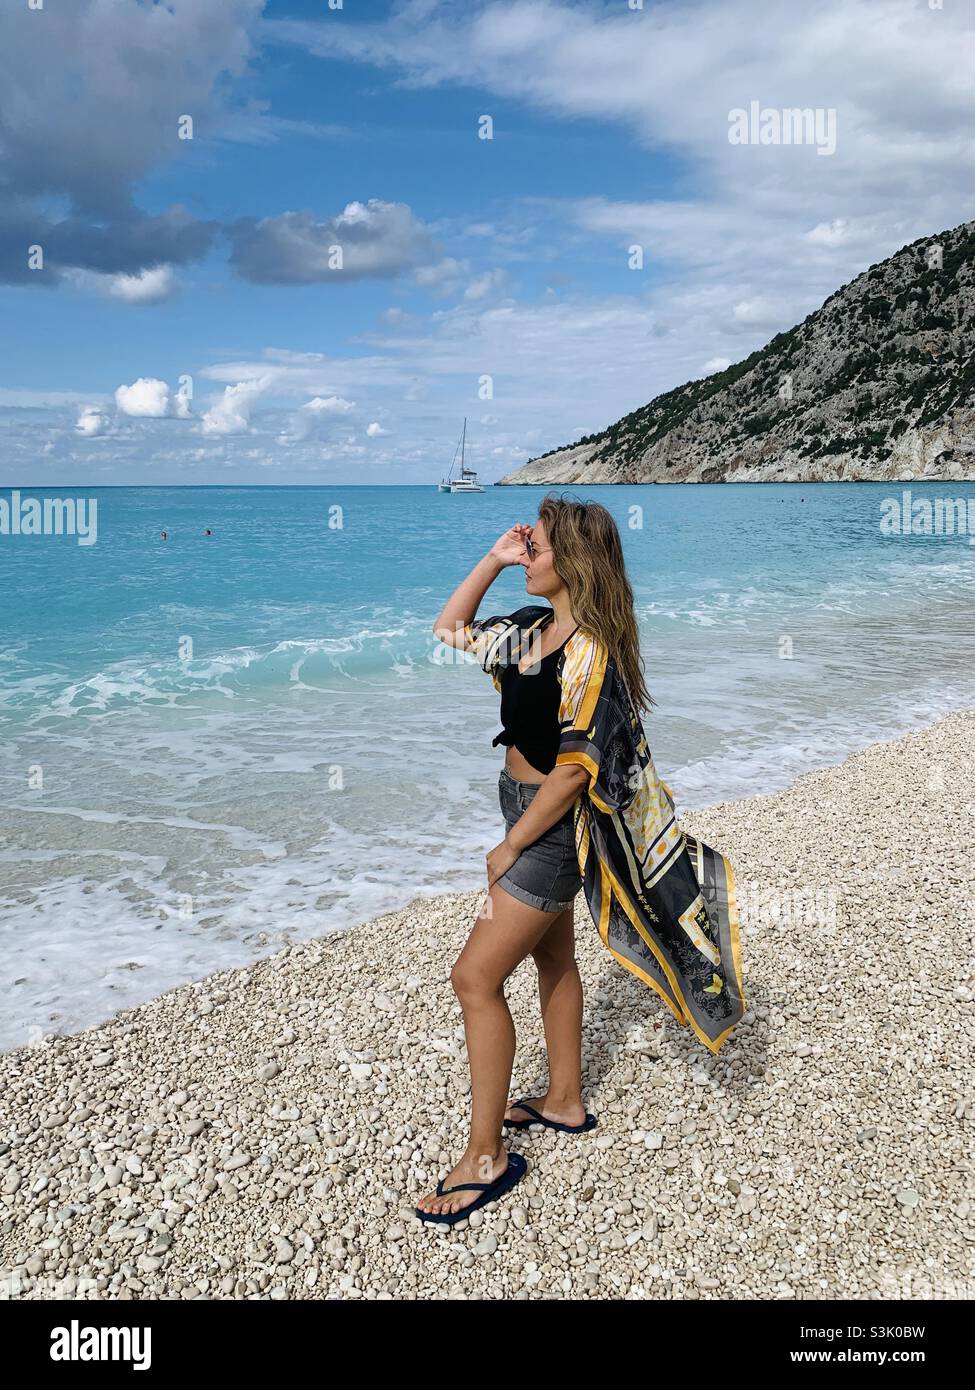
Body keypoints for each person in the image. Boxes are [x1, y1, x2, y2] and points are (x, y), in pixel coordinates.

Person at [418, 493, 745, 1223]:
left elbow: (573, 771)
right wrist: (495, 560)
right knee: (552, 960)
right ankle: (563, 1101)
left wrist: (512, 843)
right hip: (520, 805)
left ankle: (484, 1158)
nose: (525, 553)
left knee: (472, 979)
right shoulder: (533, 632)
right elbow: (449, 630)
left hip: (549, 829)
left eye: (534, 546)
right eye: (524, 546)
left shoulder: (590, 648)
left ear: (574, 561)